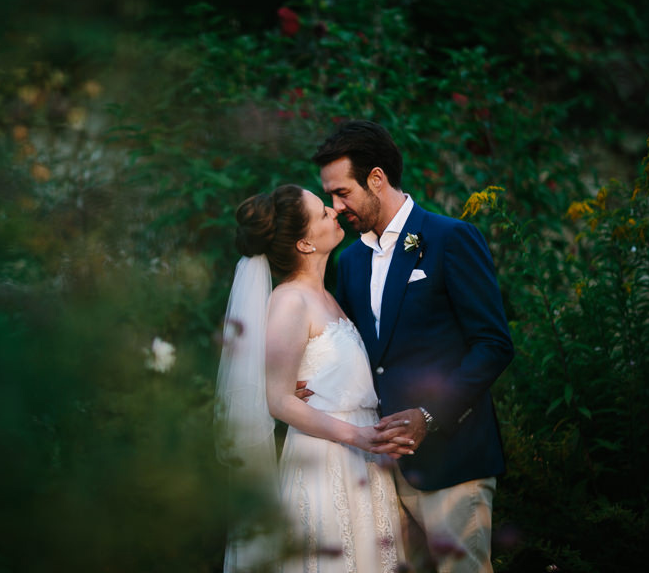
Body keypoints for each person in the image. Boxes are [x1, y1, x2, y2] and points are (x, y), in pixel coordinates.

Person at [306, 120, 514, 573]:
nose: (336, 207)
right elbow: (356, 351)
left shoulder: (449, 238)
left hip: (453, 463)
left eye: (343, 193)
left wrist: (429, 416)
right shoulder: (352, 260)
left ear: (376, 178)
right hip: (379, 472)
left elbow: (493, 345)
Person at [216, 184, 415, 573]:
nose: (334, 211)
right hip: (325, 463)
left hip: (362, 458)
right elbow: (277, 399)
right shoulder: (289, 301)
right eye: (323, 213)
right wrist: (358, 436)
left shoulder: (327, 296)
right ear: (305, 244)